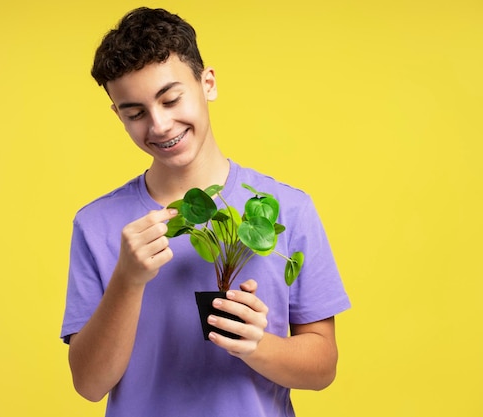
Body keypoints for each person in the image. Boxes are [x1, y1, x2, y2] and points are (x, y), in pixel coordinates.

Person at [60, 7, 351, 417]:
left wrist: (257, 344)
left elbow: (323, 367)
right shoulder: (97, 225)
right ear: (118, 116)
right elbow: (89, 386)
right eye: (135, 113)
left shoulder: (287, 209)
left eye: (171, 98)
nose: (159, 125)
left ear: (207, 83)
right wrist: (127, 279)